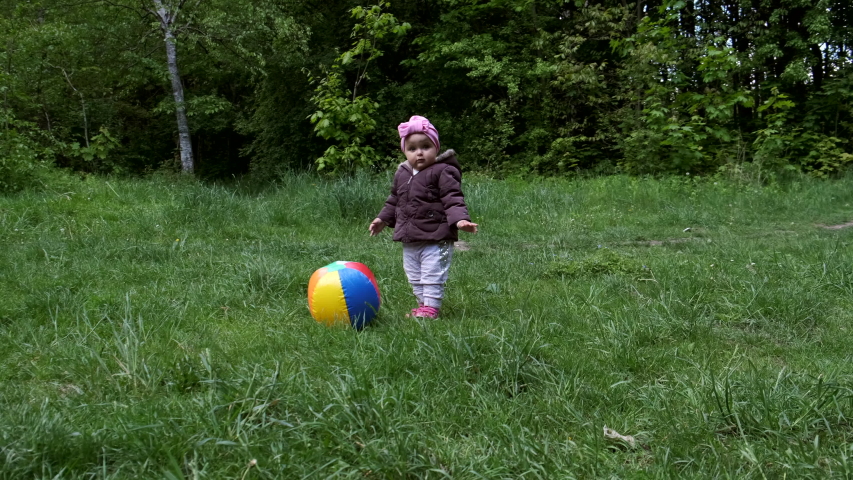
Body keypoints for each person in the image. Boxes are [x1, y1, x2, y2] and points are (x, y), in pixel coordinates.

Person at [369, 115, 478, 319]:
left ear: (436, 147)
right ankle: (422, 305)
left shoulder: (443, 170)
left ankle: (431, 308)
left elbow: (452, 197)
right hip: (410, 235)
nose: (419, 153)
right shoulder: (402, 173)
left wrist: (459, 219)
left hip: (437, 236)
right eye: (412, 149)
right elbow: (394, 199)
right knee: (414, 274)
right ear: (405, 151)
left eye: (426, 146)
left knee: (432, 273)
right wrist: (382, 219)